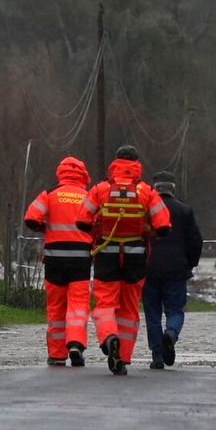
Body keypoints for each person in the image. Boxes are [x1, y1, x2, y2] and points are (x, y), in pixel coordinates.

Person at [83, 146, 171, 376]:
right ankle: (122, 357)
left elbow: (82, 220)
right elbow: (164, 227)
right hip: (135, 258)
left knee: (105, 304)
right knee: (130, 309)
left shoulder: (102, 189)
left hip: (106, 254)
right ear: (137, 164)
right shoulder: (146, 191)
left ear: (116, 162)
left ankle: (109, 337)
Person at [24, 156, 94, 366]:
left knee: (56, 307)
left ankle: (56, 354)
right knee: (78, 304)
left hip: (54, 259)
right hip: (81, 259)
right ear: (83, 174)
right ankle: (75, 343)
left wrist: (45, 228)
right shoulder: (88, 196)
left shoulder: (50, 194)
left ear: (60, 173)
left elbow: (31, 218)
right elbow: (98, 224)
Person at [142, 171, 203, 370]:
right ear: (173, 189)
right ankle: (171, 333)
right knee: (175, 310)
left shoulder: (146, 211)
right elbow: (196, 240)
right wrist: (190, 263)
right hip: (177, 269)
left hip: (149, 268)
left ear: (154, 188)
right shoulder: (185, 211)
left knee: (152, 313)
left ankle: (157, 356)